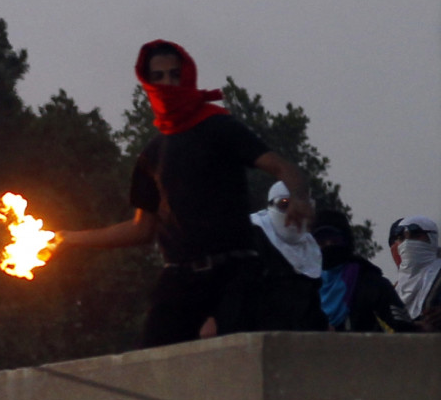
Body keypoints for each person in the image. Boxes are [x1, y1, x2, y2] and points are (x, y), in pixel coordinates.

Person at [57, 39, 313, 347]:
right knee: (155, 364)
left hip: (234, 272)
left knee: (239, 362)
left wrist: (298, 196)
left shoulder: (218, 126)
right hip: (181, 278)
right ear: (147, 83)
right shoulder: (152, 153)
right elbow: (142, 229)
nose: (168, 83)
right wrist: (69, 238)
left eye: (175, 74)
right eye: (159, 76)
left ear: (187, 75)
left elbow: (283, 168)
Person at [311, 210, 414, 332]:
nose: (329, 246)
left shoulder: (371, 282)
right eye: (321, 242)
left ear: (346, 241)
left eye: (335, 240)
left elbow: (404, 328)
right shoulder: (303, 284)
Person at [251, 181, 327, 331]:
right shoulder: (254, 236)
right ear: (271, 206)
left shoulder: (309, 248)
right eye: (285, 204)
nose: (293, 212)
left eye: (300, 206)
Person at [392, 215, 441, 331]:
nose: (407, 243)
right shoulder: (395, 288)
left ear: (431, 239)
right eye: (401, 238)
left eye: (415, 236)